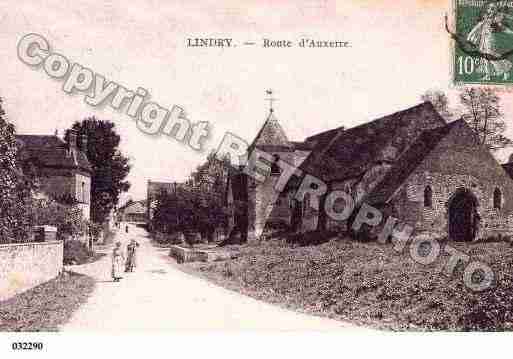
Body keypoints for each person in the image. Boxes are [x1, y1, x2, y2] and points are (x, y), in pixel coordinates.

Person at [467, 3, 513, 81]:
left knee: (492, 57)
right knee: (485, 58)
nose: (490, 10)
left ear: (495, 11)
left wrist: (511, 32)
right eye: (489, 8)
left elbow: (503, 28)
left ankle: (506, 71)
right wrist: (470, 36)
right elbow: (477, 27)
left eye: (492, 9)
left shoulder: (496, 20)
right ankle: (488, 75)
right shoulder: (485, 18)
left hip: (490, 40)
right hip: (483, 40)